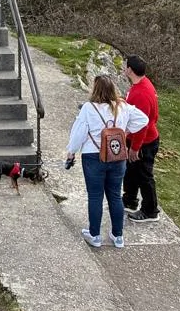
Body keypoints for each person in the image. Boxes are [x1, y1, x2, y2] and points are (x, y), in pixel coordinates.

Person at [62, 73, 148, 248]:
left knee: (95, 196)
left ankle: (95, 235)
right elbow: (144, 119)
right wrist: (124, 131)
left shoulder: (88, 108)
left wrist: (71, 153)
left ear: (95, 89)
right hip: (117, 157)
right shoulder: (122, 107)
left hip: (93, 157)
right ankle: (118, 236)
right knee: (115, 196)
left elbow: (78, 134)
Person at [122, 54, 161, 223]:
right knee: (131, 171)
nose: (124, 67)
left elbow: (142, 124)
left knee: (144, 175)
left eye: (125, 65)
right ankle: (130, 200)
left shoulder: (141, 93)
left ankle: (150, 210)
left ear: (130, 70)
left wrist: (135, 148)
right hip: (139, 138)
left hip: (144, 142)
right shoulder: (142, 85)